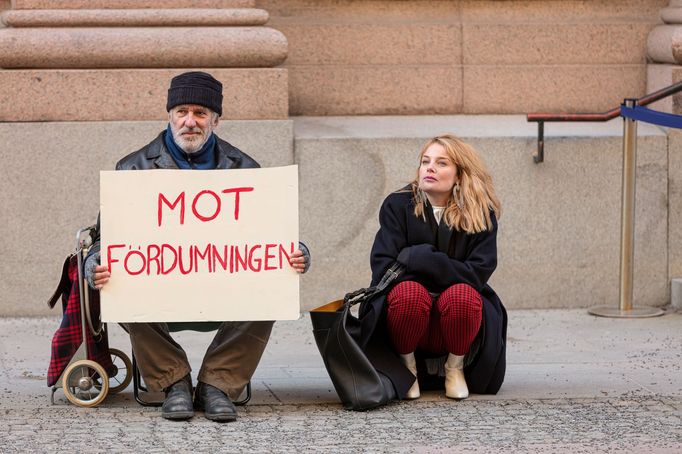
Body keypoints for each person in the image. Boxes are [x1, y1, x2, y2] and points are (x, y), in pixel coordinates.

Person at [84, 71, 310, 422]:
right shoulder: (132, 169)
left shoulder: (246, 169)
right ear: (169, 116)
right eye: (182, 112)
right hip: (158, 291)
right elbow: (106, 241)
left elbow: (270, 238)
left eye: (201, 113)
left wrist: (297, 253)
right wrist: (96, 263)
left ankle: (217, 383)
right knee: (120, 282)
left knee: (273, 283)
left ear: (216, 120)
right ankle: (173, 381)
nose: (190, 121)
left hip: (225, 289)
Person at [360, 134, 507, 401]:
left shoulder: (480, 213)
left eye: (441, 163)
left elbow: (477, 274)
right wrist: (450, 271)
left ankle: (455, 367)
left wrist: (419, 258)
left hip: (456, 326)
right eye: (425, 161)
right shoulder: (398, 205)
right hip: (406, 321)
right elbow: (383, 269)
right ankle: (407, 368)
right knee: (410, 294)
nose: (430, 168)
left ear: (460, 174)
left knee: (462, 296)